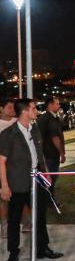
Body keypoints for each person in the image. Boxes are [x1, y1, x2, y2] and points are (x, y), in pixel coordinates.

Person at [0, 99, 64, 261]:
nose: (37, 111)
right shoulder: (8, 134)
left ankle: (43, 248)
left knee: (40, 215)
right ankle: (13, 252)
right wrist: (4, 186)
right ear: (24, 112)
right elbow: (1, 161)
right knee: (14, 219)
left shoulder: (34, 129)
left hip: (37, 178)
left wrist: (46, 174)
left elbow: (39, 153)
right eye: (34, 108)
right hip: (17, 181)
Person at [0, 98, 17, 239]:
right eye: (9, 107)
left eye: (14, 108)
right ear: (2, 108)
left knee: (21, 195)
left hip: (16, 166)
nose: (12, 110)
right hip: (3, 166)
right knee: (5, 197)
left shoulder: (17, 122)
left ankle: (27, 222)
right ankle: (4, 226)